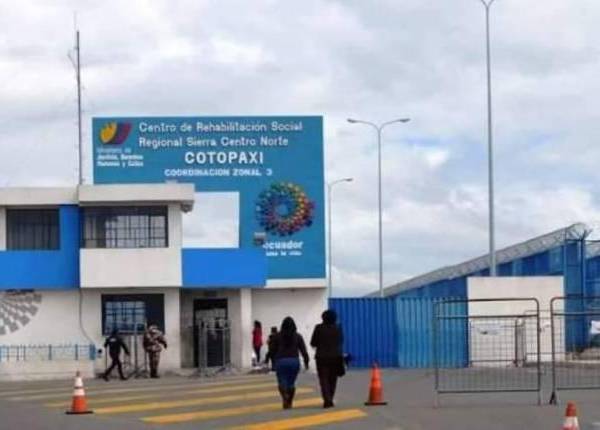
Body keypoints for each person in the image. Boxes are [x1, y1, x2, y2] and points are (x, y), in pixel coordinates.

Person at [271, 316, 309, 409]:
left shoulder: (277, 336)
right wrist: (306, 362)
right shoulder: (298, 336)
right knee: (291, 383)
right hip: (294, 361)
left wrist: (273, 362)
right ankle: (289, 402)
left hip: (281, 361)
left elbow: (272, 350)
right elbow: (303, 351)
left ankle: (285, 396)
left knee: (282, 382)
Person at [310, 309, 344, 408]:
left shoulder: (318, 328)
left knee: (323, 379)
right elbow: (341, 341)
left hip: (322, 357)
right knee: (333, 379)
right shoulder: (338, 328)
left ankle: (327, 399)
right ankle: (330, 398)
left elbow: (313, 342)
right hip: (336, 356)